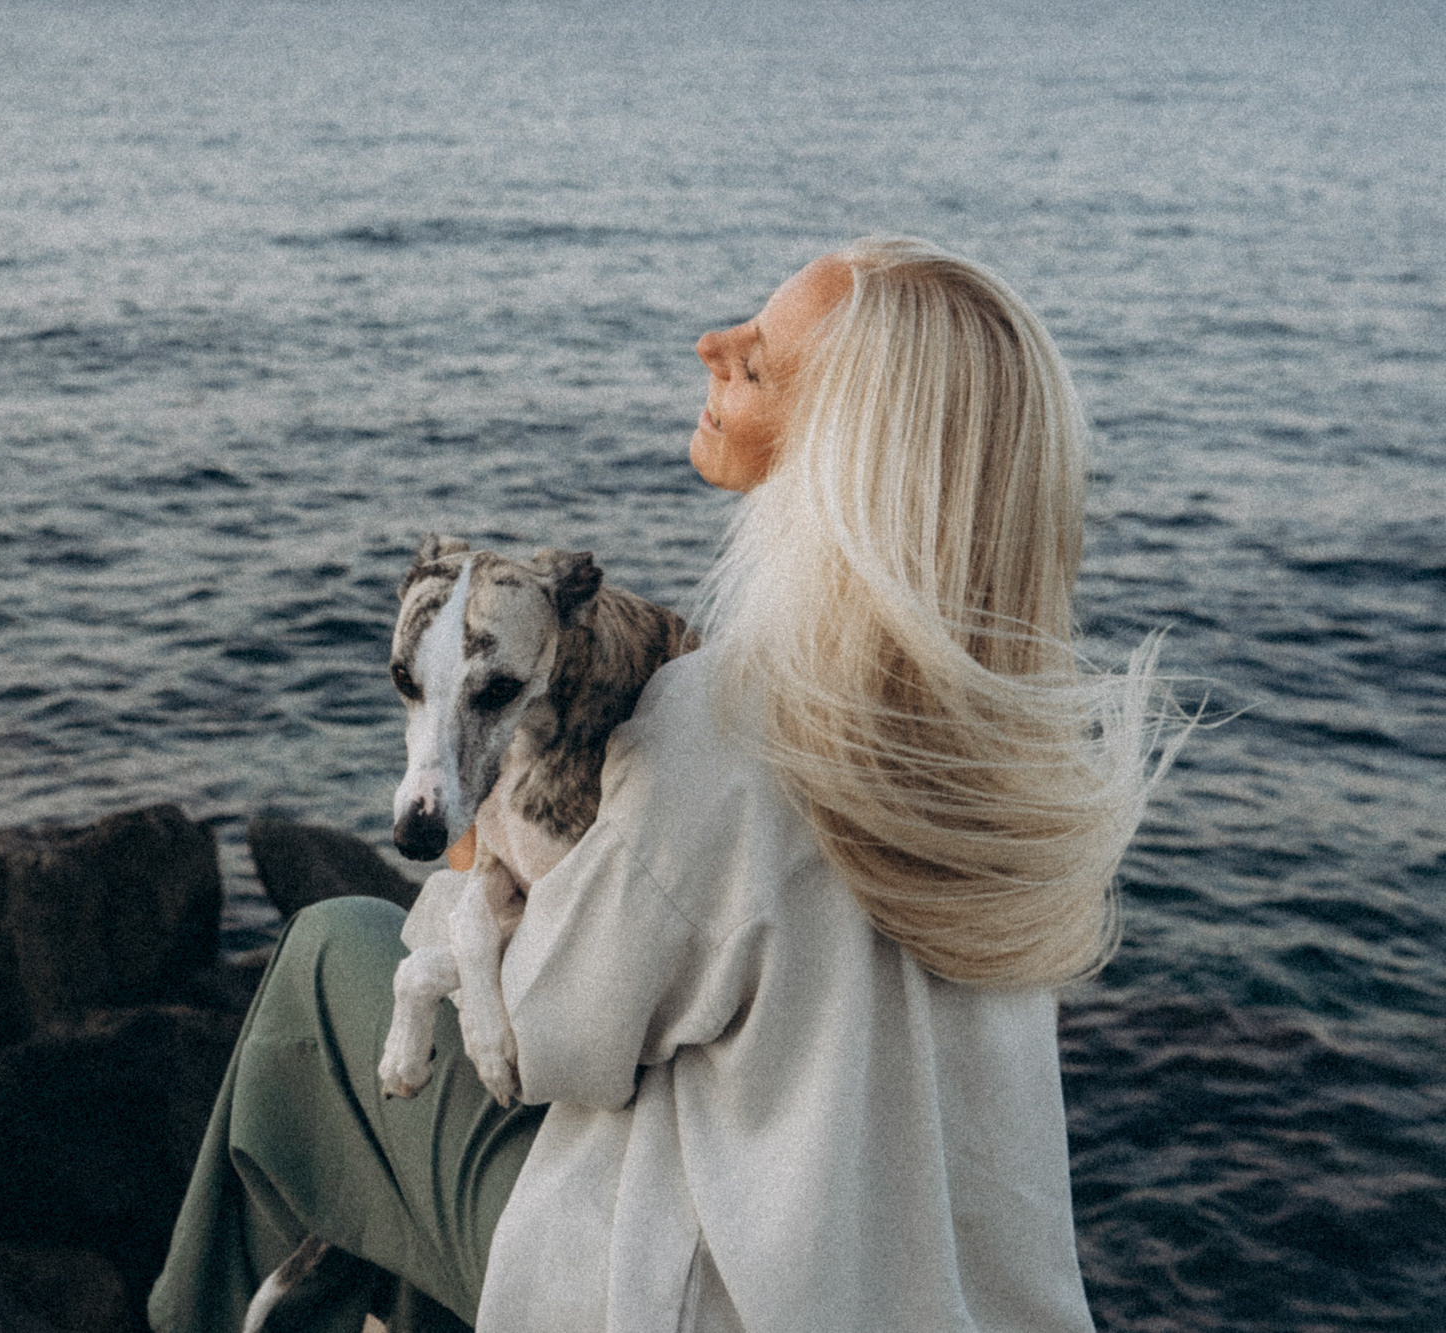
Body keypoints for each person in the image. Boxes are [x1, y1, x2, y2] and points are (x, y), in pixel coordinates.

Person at [148, 236, 1185, 1332]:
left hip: (706, 1299)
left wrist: (481, 850)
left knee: (328, 955)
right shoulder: (1003, 737)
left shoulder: (732, 720)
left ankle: (193, 1313)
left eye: (757, 363)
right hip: (935, 1295)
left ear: (845, 453)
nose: (709, 344)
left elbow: (554, 1037)